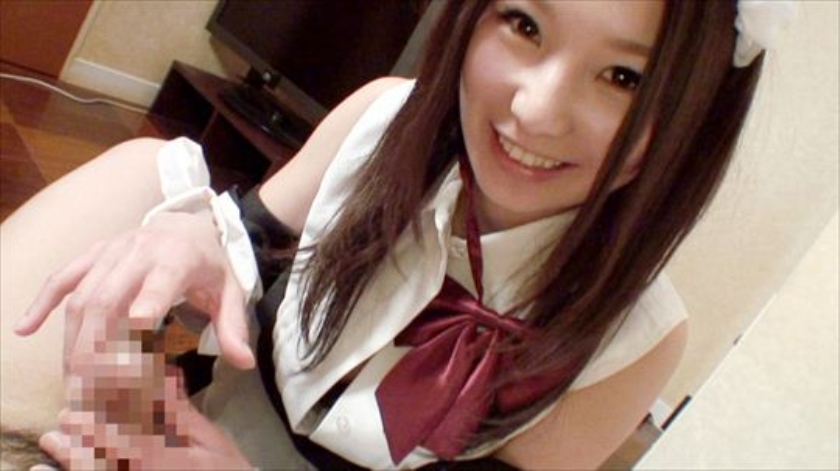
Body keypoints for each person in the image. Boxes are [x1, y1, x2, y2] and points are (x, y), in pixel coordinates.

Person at [1, 0, 795, 469]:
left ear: (691, 119)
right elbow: (247, 245)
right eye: (523, 23)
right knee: (139, 175)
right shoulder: (383, 118)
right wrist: (198, 246)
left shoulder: (634, 339)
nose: (535, 110)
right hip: (172, 427)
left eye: (624, 78)